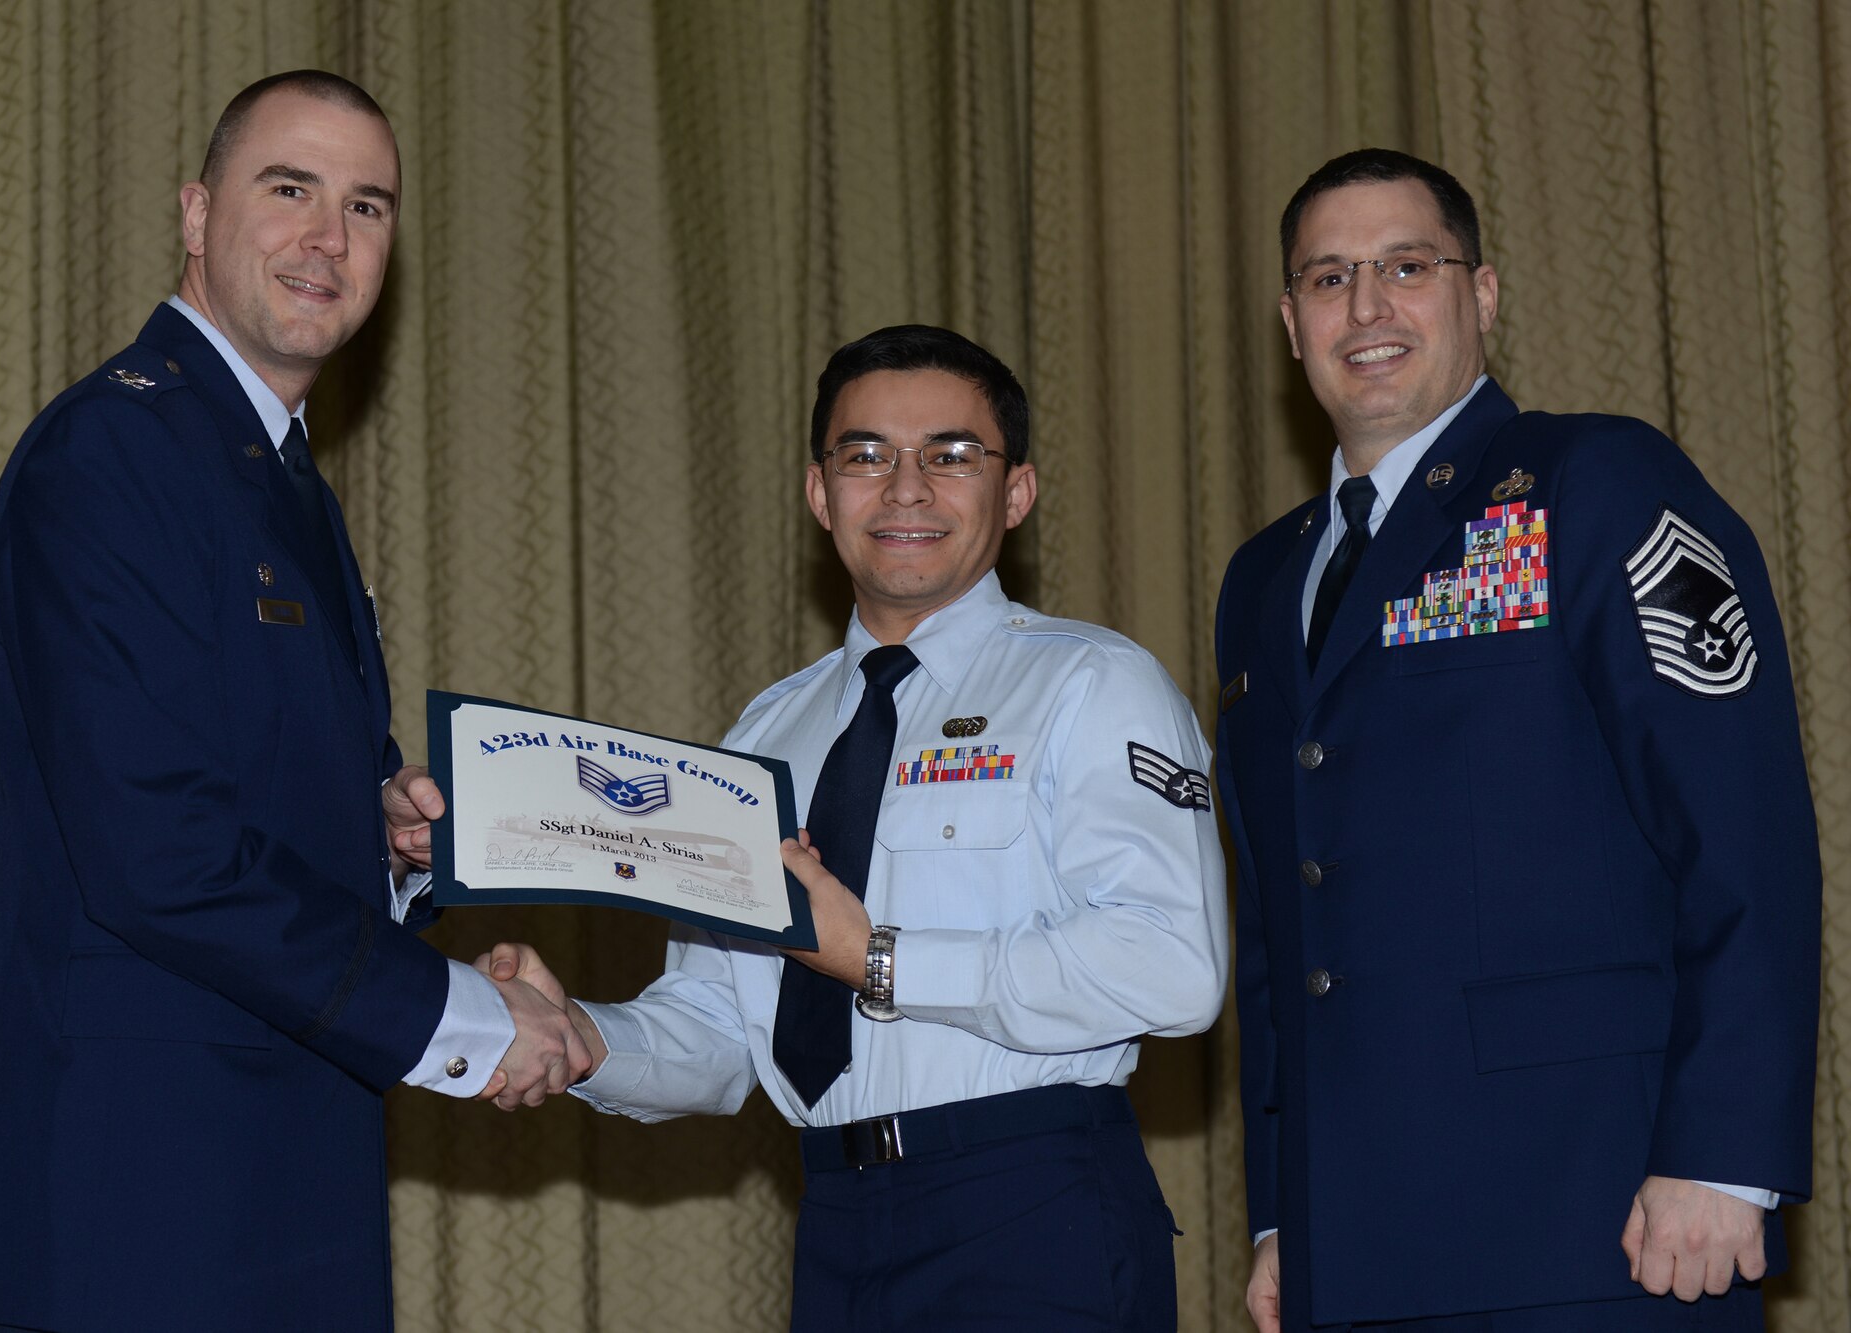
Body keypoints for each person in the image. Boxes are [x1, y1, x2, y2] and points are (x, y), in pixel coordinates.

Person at [0, 70, 581, 1333]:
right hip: (139, 1194)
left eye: (367, 205)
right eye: (291, 190)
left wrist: (385, 832)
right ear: (195, 210)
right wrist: (463, 1019)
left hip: (261, 1174)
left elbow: (249, 793)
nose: (328, 238)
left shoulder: (278, 482)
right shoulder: (117, 453)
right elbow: (157, 850)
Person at [483, 325, 1228, 1331]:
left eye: (951, 454)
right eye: (865, 454)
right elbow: (718, 1031)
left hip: (1028, 1209)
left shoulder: (1091, 683)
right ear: (818, 492)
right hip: (835, 1221)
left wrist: (876, 960)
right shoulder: (763, 735)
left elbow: (1170, 967)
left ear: (1015, 492)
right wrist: (578, 1035)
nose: (907, 488)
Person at [1214, 147, 1820, 1332]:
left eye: (1405, 266)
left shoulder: (1595, 482)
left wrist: (1722, 1152)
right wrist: (1282, 1209)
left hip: (1599, 1217)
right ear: (1289, 324)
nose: (1367, 307)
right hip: (1352, 1236)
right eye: (1327, 278)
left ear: (1479, 294)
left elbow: (1739, 833)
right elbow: (1280, 921)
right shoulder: (1259, 578)